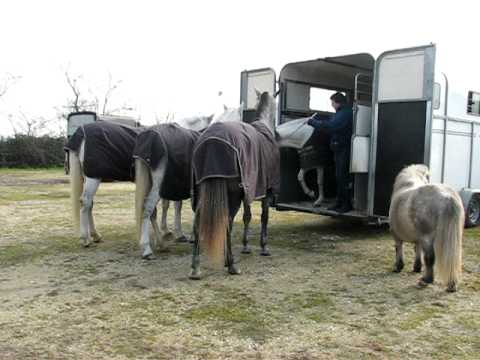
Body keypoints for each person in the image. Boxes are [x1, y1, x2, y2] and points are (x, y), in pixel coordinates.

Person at [307, 92, 353, 213]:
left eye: (332, 102)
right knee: (339, 176)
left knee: (342, 177)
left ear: (337, 102)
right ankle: (339, 202)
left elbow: (331, 126)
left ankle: (346, 204)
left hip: (343, 149)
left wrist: (313, 122)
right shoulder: (341, 113)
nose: (331, 104)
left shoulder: (345, 113)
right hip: (339, 149)